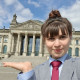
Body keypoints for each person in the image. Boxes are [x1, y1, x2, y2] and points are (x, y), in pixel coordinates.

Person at [3, 10, 80, 80]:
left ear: (70, 37)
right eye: (51, 38)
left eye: (62, 37)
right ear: (44, 40)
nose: (57, 44)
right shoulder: (36, 71)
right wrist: (27, 75)